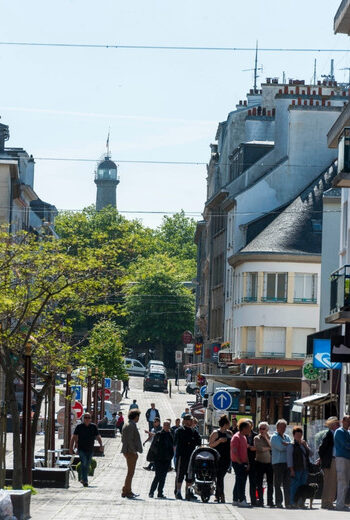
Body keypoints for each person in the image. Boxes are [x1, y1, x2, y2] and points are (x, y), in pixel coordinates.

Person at [69, 412, 103, 487]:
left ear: (90, 419)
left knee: (87, 465)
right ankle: (85, 481)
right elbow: (73, 437)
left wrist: (101, 445)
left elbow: (98, 436)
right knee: (84, 463)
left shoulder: (93, 427)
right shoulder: (79, 427)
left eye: (88, 418)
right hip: (81, 449)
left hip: (90, 449)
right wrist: (71, 448)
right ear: (83, 419)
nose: (87, 419)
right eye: (85, 417)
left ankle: (82, 478)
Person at [174, 414, 201, 500]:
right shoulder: (180, 430)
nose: (191, 421)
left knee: (190, 476)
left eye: (192, 420)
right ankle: (178, 492)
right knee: (180, 475)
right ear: (185, 421)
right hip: (182, 456)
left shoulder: (194, 431)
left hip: (191, 456)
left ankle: (188, 493)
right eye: (190, 420)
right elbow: (178, 442)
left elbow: (199, 441)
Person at [209, 414, 232, 503]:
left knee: (220, 476)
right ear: (224, 424)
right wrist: (219, 441)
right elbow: (210, 444)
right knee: (219, 477)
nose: (228, 425)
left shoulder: (229, 433)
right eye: (228, 423)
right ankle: (220, 495)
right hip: (217, 457)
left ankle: (218, 495)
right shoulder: (216, 433)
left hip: (227, 458)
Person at [286, 426, 311, 508]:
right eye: (297, 435)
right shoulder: (291, 446)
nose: (299, 437)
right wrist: (291, 470)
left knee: (303, 487)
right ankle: (293, 502)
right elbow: (289, 459)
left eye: (300, 435)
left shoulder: (304, 444)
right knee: (295, 486)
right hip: (296, 469)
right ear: (293, 435)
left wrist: (306, 446)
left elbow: (311, 454)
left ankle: (301, 503)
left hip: (304, 469)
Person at [149, 421, 174, 498]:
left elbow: (172, 447)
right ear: (163, 426)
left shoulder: (170, 435)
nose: (166, 426)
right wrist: (157, 454)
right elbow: (153, 446)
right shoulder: (158, 434)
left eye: (168, 425)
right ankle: (151, 492)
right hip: (158, 459)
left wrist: (170, 456)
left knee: (163, 477)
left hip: (166, 459)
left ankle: (160, 493)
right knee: (157, 476)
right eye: (165, 425)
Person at [121, 408, 143, 499]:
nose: (138, 418)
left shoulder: (128, 424)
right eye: (138, 416)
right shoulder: (131, 425)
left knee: (130, 472)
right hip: (130, 452)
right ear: (136, 416)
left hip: (128, 451)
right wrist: (134, 451)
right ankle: (127, 491)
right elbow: (129, 440)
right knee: (130, 473)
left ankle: (126, 489)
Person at [319, 416, 340, 510]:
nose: (338, 425)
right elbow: (321, 449)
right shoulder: (328, 435)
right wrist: (324, 459)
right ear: (332, 425)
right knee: (330, 483)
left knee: (330, 482)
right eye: (336, 423)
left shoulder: (333, 434)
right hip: (330, 461)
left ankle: (327, 502)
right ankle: (327, 502)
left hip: (332, 460)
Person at [271, 419, 291, 508]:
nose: (283, 428)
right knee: (278, 484)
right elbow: (280, 448)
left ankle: (288, 503)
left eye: (284, 427)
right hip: (278, 463)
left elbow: (291, 447)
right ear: (277, 427)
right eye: (281, 427)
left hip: (287, 463)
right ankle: (279, 502)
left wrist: (287, 444)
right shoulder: (274, 437)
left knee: (287, 484)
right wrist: (288, 445)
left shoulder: (287, 437)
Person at [231, 420, 251, 508]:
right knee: (241, 481)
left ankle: (235, 499)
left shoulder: (244, 437)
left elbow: (245, 451)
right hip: (237, 462)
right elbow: (234, 451)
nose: (250, 430)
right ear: (244, 428)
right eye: (248, 428)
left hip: (243, 462)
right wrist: (240, 463)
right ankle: (241, 499)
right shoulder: (236, 437)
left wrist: (247, 463)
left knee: (239, 481)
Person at [254, 421, 274, 507]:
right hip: (260, 462)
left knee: (270, 483)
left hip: (269, 463)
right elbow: (259, 449)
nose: (261, 430)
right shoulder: (256, 438)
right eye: (260, 429)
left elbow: (273, 447)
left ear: (267, 430)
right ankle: (260, 500)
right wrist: (269, 447)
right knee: (259, 483)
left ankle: (270, 501)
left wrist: (266, 439)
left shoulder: (271, 437)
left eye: (263, 429)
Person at [334, 415, 350, 511]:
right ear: (342, 421)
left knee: (346, 483)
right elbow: (345, 445)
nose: (349, 423)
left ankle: (342, 503)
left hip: (347, 459)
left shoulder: (347, 432)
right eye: (347, 421)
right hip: (341, 458)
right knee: (342, 482)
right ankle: (339, 505)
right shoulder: (339, 431)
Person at [246, 419, 258, 507]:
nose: (249, 426)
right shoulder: (242, 435)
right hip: (244, 460)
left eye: (250, 425)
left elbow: (258, 447)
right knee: (242, 481)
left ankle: (253, 500)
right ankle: (241, 498)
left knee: (253, 482)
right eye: (247, 425)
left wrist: (250, 447)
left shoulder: (256, 436)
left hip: (254, 461)